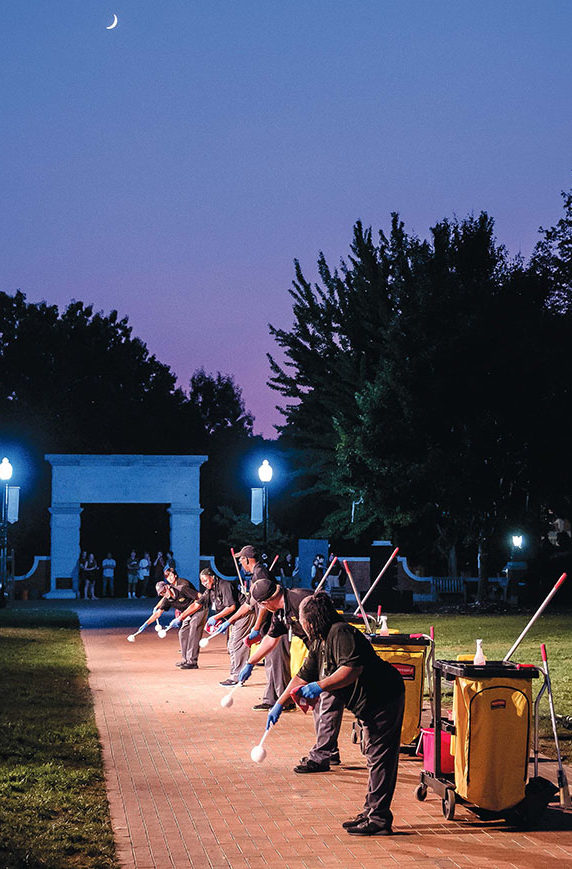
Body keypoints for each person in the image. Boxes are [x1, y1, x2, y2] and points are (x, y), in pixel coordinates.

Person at [267, 593, 405, 836]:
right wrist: (279, 703)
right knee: (374, 757)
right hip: (368, 704)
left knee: (380, 758)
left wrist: (320, 686)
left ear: (312, 620)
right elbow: (301, 676)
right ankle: (372, 811)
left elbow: (351, 669)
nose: (300, 624)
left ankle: (379, 819)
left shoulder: (340, 633)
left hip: (384, 697)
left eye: (302, 619)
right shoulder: (319, 642)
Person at [238, 573, 343, 772]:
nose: (261, 608)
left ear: (267, 601)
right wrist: (250, 663)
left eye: (260, 604)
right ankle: (329, 750)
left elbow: (327, 630)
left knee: (327, 699)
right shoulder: (279, 613)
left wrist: (279, 703)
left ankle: (321, 757)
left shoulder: (301, 601)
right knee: (318, 702)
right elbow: (271, 639)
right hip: (317, 653)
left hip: (333, 650)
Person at [229, 546, 291, 710]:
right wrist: (229, 621)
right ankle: (271, 699)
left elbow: (264, 604)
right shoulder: (256, 574)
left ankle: (284, 701)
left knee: (277, 663)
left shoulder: (260, 574)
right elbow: (249, 605)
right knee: (271, 663)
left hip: (276, 625)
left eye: (241, 559)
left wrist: (256, 628)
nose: (241, 563)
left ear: (247, 559)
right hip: (268, 627)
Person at [190, 566, 255, 686]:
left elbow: (231, 607)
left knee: (236, 644)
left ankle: (237, 677)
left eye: (205, 580)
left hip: (244, 614)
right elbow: (197, 604)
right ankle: (239, 672)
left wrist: (216, 617)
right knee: (231, 646)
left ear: (212, 577)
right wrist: (181, 617)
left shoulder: (225, 585)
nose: (204, 583)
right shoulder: (210, 590)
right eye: (202, 582)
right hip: (234, 619)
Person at [155, 567, 205, 668]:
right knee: (183, 632)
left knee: (193, 631)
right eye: (167, 577)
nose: (169, 578)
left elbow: (199, 597)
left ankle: (192, 662)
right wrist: (145, 624)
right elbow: (165, 599)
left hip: (199, 607)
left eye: (170, 575)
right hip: (188, 611)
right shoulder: (170, 588)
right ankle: (185, 659)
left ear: (175, 575)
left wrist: (182, 616)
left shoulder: (183, 585)